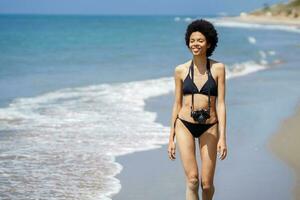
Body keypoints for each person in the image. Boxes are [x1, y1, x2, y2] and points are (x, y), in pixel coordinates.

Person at [168, 19, 227, 200]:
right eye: (192, 40)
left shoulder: (218, 68)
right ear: (188, 43)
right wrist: (171, 137)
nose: (196, 44)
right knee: (193, 180)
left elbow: (222, 104)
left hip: (210, 127)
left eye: (200, 40)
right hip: (184, 124)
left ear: (208, 43)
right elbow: (177, 103)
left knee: (206, 185)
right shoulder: (180, 70)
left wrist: (223, 138)